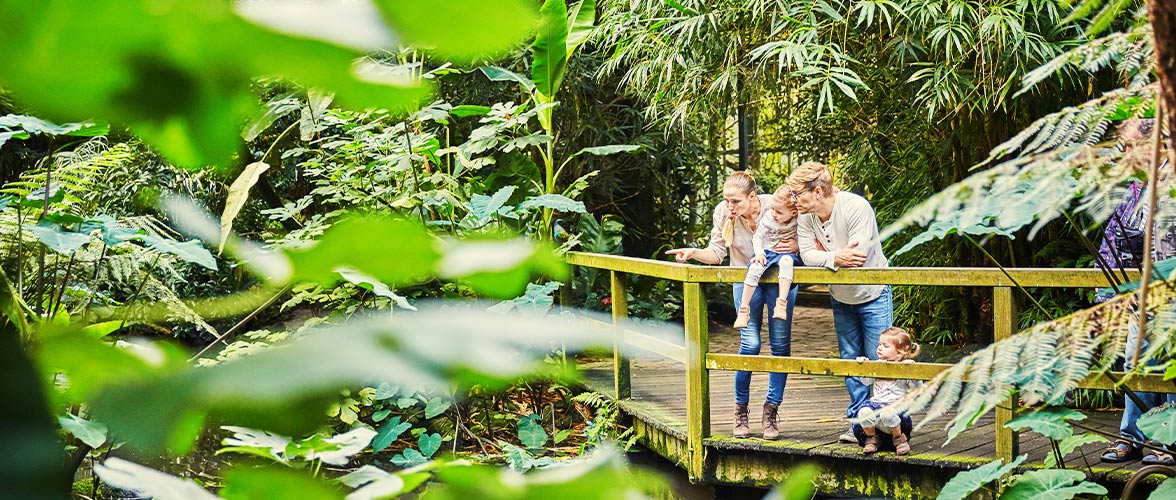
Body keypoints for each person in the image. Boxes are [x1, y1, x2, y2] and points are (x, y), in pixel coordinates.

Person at [665, 171, 798, 440]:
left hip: (779, 281)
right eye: (727, 200)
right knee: (750, 345)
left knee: (780, 345)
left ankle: (771, 411)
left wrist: (795, 246)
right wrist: (693, 253)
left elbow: (805, 233)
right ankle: (741, 409)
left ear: (752, 197)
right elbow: (716, 254)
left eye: (735, 201)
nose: (730, 206)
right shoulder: (724, 213)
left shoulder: (777, 205)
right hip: (744, 279)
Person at [787, 161, 893, 443]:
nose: (793, 200)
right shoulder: (805, 217)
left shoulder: (855, 207)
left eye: (798, 194)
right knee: (850, 363)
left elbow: (856, 256)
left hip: (873, 294)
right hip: (840, 297)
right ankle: (859, 424)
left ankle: (887, 425)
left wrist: (826, 255)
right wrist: (834, 257)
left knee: (879, 361)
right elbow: (808, 256)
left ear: (818, 191)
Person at [1099, 118, 1176, 465]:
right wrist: (1107, 294)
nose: (1126, 153)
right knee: (1136, 362)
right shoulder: (1136, 189)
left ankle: (1169, 444)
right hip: (1141, 293)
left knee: (1170, 365)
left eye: (1131, 145)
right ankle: (1131, 437)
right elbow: (1113, 236)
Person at [734, 186, 802, 328]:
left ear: (794, 212)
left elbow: (808, 236)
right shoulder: (769, 218)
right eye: (772, 209)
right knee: (755, 268)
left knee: (786, 262)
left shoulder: (800, 219)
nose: (774, 214)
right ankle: (743, 310)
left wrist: (798, 244)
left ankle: (781, 303)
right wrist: (759, 253)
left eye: (779, 212)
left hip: (787, 254)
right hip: (768, 252)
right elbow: (758, 236)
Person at [853, 327, 921, 455]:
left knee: (887, 412)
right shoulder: (878, 364)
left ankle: (899, 439)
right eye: (879, 344)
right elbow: (866, 381)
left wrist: (912, 372)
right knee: (864, 411)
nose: (879, 348)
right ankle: (872, 438)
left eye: (885, 345)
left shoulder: (905, 366)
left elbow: (917, 389)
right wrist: (864, 367)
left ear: (901, 351)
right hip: (876, 407)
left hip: (895, 410)